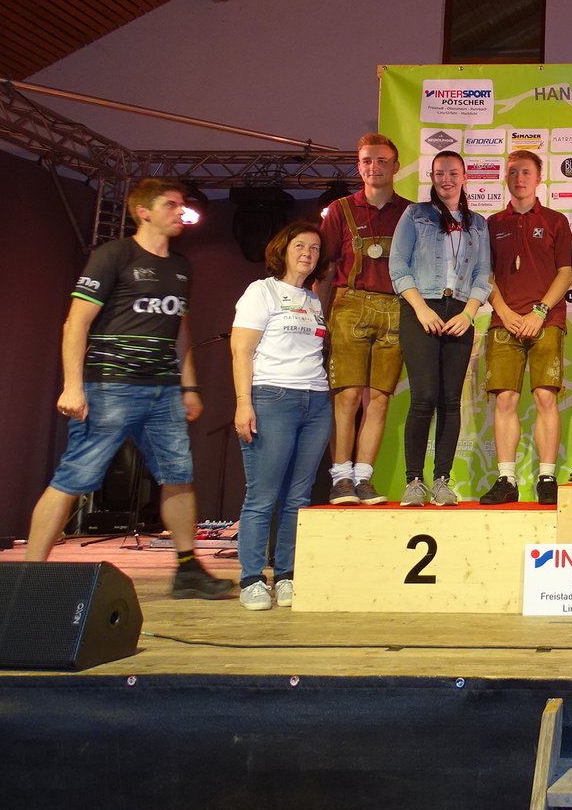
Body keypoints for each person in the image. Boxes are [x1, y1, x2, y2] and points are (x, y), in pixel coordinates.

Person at [26, 178, 233, 599]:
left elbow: (180, 330)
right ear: (143, 211)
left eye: (182, 205)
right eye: (170, 204)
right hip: (109, 387)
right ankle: (27, 576)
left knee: (178, 476)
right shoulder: (114, 255)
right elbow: (76, 323)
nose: (180, 212)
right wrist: (72, 386)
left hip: (163, 392)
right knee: (74, 477)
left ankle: (187, 570)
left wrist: (189, 386)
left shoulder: (181, 267)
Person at [230, 222, 333, 611]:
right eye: (300, 245)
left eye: (315, 248)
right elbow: (241, 350)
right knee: (263, 495)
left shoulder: (314, 299)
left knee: (298, 497)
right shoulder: (262, 291)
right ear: (282, 250)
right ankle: (252, 578)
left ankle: (287, 574)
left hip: (316, 401)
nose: (308, 253)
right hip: (273, 397)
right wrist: (244, 402)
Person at [391, 150, 492, 505]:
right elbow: (398, 267)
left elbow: (483, 274)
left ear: (464, 177)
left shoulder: (478, 223)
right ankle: (414, 481)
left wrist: (469, 314)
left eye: (452, 173)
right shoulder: (415, 214)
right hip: (421, 308)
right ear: (432, 178)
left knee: (451, 400)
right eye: (439, 173)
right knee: (424, 397)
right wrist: (420, 308)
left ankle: (442, 481)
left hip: (459, 312)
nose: (446, 179)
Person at [319, 133, 410, 505]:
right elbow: (325, 268)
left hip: (395, 308)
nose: (374, 167)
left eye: (382, 161)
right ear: (358, 167)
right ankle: (341, 477)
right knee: (348, 396)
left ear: (396, 166)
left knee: (379, 399)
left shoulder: (411, 213)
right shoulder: (339, 210)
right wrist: (320, 317)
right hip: (349, 305)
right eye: (367, 161)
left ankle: (364, 478)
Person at [482, 150, 572, 504]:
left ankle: (546, 478)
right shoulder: (491, 223)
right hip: (503, 321)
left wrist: (539, 312)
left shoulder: (555, 221)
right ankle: (506, 480)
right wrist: (504, 312)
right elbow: (484, 275)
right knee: (505, 399)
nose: (519, 178)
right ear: (505, 177)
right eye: (512, 172)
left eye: (525, 172)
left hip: (546, 321)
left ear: (538, 178)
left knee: (545, 397)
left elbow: (565, 273)